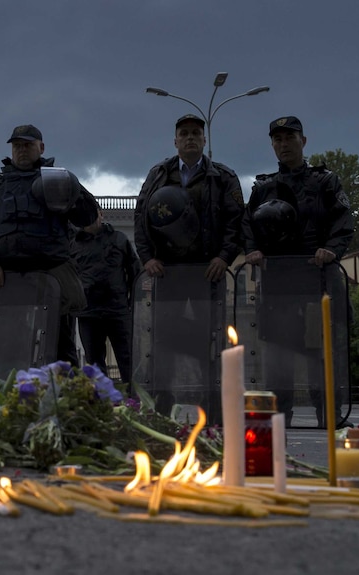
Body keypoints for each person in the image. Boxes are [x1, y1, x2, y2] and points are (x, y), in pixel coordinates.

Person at [242, 116, 354, 426]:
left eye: (289, 138)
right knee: (279, 351)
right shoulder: (263, 186)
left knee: (323, 352)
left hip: (318, 279)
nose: (283, 144)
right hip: (278, 282)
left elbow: (343, 221)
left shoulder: (325, 182)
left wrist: (331, 249)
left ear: (303, 141)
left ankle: (329, 415)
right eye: (277, 139)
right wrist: (252, 249)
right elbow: (247, 224)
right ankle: (278, 418)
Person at [133, 114, 244, 416]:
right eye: (184, 133)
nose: (190, 138)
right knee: (163, 339)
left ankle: (211, 406)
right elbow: (141, 218)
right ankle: (161, 406)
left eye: (196, 133)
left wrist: (224, 257)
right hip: (167, 273)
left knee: (209, 338)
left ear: (204, 140)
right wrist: (148, 259)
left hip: (207, 272)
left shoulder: (222, 176)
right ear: (175, 140)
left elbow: (235, 221)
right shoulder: (158, 174)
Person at [0, 124, 99, 365]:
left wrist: (70, 190)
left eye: (27, 145)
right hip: (7, 278)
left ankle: (67, 399)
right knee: (5, 344)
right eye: (17, 146)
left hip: (51, 274)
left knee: (61, 347)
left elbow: (88, 216)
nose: (22, 150)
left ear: (41, 147)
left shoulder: (57, 179)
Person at [71, 209, 141, 384]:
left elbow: (135, 274)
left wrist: (134, 305)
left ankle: (136, 403)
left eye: (93, 214)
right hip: (88, 312)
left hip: (117, 311)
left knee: (130, 361)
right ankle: (102, 404)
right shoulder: (73, 244)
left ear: (101, 214)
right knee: (95, 365)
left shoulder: (119, 239)